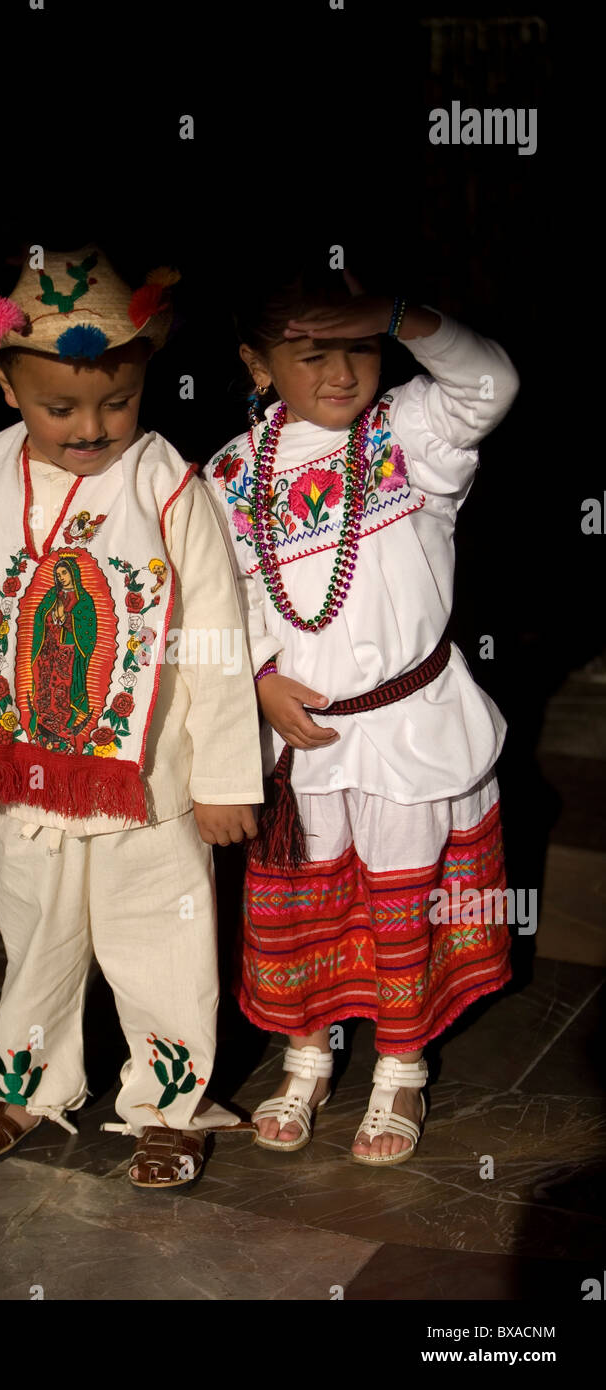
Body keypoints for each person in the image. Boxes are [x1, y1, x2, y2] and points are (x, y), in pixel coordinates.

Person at [0, 246, 263, 1187]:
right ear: (7, 384)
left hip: (148, 780)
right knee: (36, 933)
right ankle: (24, 1084)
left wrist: (221, 777)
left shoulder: (168, 487)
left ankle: (170, 1105)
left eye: (118, 403)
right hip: (20, 774)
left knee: (161, 944)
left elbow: (215, 632)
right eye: (63, 408)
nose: (94, 428)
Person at [205, 259, 519, 1165]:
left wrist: (399, 312)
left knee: (400, 904)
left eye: (359, 347)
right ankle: (306, 1058)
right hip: (303, 745)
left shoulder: (410, 435)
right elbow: (221, 599)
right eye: (310, 354)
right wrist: (259, 678)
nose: (341, 373)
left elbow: (492, 379)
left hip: (411, 730)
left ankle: (400, 1067)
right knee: (308, 905)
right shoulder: (228, 472)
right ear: (257, 365)